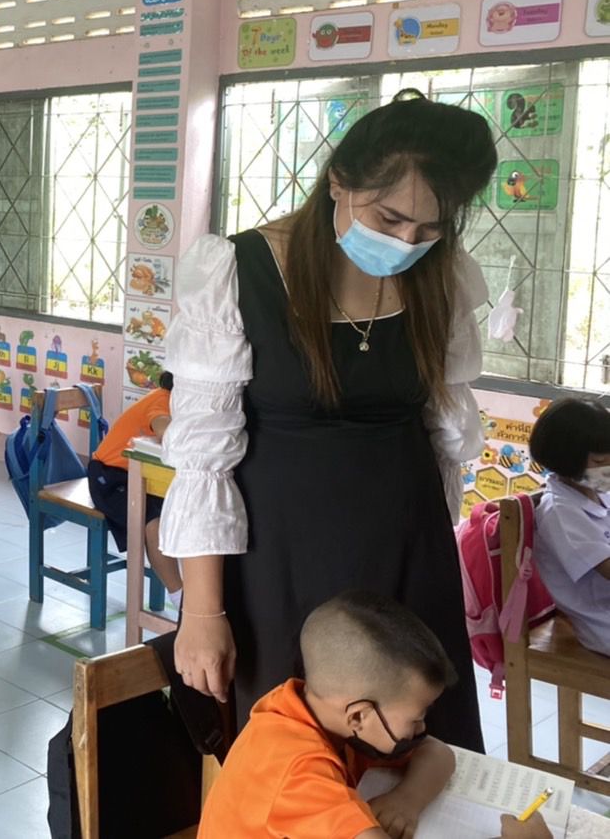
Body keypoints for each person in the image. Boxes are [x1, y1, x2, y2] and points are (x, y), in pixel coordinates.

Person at [164, 94, 496, 750]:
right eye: (390, 218)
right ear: (338, 181)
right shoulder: (238, 271)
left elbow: (443, 438)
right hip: (280, 560)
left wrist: (435, 546)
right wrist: (202, 612)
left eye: (429, 228)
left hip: (409, 554)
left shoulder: (444, 278)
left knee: (417, 745)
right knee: (299, 758)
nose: (406, 243)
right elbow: (203, 459)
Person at [199, 591, 549, 839]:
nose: (421, 727)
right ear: (358, 717)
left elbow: (438, 753)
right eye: (415, 718)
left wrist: (407, 801)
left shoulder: (319, 710)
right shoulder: (296, 771)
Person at [528, 397, 610, 657]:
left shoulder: (600, 493)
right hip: (603, 625)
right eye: (600, 461)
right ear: (567, 460)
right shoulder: (560, 512)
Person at [87, 372, 182, 593]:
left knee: (173, 513)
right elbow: (164, 430)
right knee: (153, 521)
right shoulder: (163, 399)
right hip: (108, 477)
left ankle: (186, 591)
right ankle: (179, 595)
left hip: (138, 477)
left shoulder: (171, 399)